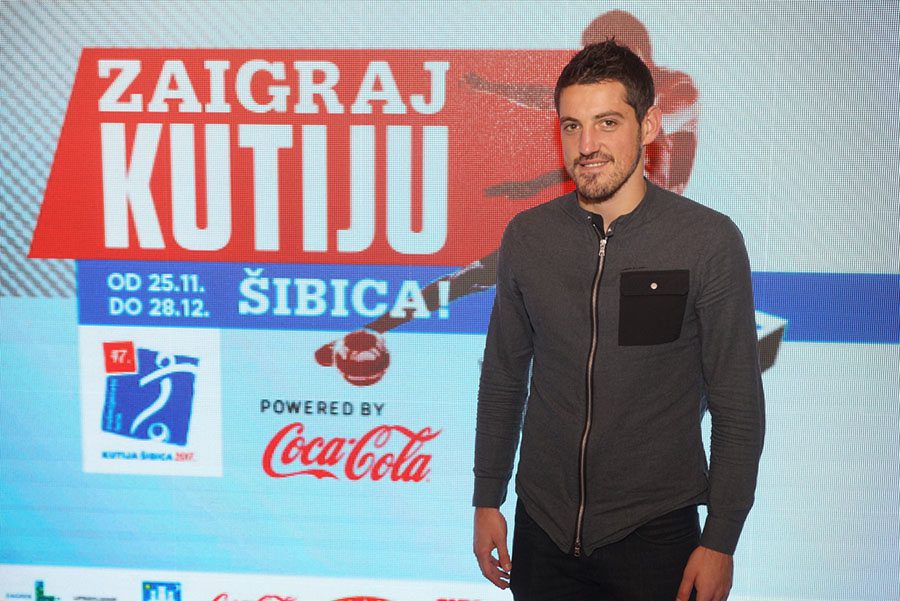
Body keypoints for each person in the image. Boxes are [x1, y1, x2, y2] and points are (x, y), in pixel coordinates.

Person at [472, 41, 764, 601]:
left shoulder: (707, 242)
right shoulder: (528, 238)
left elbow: (738, 407)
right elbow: (504, 376)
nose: (587, 146)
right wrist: (488, 496)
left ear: (648, 125)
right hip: (541, 532)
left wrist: (721, 540)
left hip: (657, 538)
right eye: (572, 126)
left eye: (607, 123)